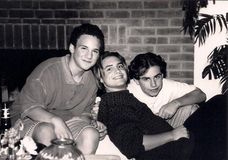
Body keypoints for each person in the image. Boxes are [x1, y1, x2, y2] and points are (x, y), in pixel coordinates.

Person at [11, 23, 107, 154]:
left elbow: (84, 113)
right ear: (72, 48)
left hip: (66, 121)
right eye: (84, 48)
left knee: (91, 134)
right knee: (47, 130)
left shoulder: (92, 80)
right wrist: (55, 120)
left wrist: (92, 123)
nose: (89, 56)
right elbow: (28, 107)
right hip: (28, 119)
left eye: (94, 51)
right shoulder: (47, 71)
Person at [94, 51, 193, 160]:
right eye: (109, 69)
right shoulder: (115, 102)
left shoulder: (123, 97)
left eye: (120, 66)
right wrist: (172, 135)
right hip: (174, 152)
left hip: (176, 148)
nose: (117, 71)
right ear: (101, 78)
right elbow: (131, 144)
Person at [127, 52, 206, 127]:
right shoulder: (128, 91)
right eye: (146, 79)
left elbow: (200, 94)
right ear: (136, 80)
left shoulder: (168, 85)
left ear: (162, 75)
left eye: (157, 77)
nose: (153, 84)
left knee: (192, 109)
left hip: (165, 126)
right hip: (141, 133)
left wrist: (175, 103)